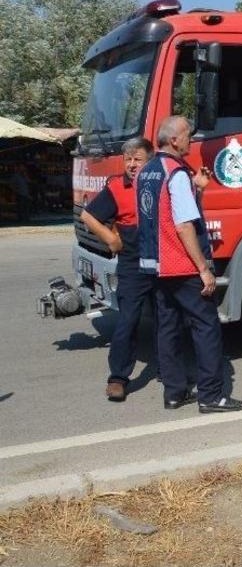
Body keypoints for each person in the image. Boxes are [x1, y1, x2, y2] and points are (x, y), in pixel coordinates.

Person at [137, 116, 242, 413]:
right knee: (206, 326)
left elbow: (158, 214)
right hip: (181, 264)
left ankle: (174, 393)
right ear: (174, 140)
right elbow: (184, 224)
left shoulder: (147, 171)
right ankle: (212, 396)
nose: (191, 139)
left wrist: (196, 189)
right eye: (188, 134)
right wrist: (203, 268)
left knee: (168, 327)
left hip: (156, 264)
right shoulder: (176, 173)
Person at [79, 137, 154, 401]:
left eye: (138, 159)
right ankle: (118, 378)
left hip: (162, 260)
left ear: (150, 160)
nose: (132, 165)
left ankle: (175, 372)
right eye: (128, 160)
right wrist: (110, 238)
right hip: (132, 263)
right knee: (128, 320)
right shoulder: (116, 187)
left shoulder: (159, 183)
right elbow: (88, 216)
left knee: (172, 318)